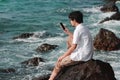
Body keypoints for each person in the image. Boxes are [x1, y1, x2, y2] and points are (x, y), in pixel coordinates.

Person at [48, 11, 93, 80]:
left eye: (70, 20)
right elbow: (75, 39)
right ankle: (70, 56)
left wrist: (62, 56)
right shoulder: (84, 27)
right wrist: (68, 32)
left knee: (58, 63)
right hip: (88, 54)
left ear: (74, 20)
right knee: (69, 38)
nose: (70, 22)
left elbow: (73, 47)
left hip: (82, 56)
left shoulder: (78, 30)